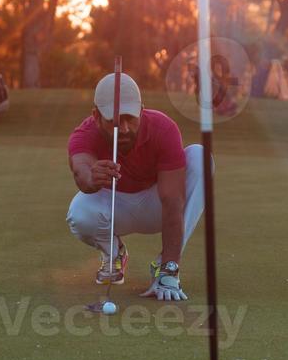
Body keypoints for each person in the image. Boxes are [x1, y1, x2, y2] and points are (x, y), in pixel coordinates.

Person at [66, 71, 207, 302]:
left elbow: (173, 202)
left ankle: (164, 268)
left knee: (200, 158)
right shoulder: (83, 135)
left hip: (157, 206)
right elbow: (81, 171)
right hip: (114, 206)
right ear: (95, 115)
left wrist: (171, 267)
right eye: (114, 120)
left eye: (130, 117)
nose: (123, 128)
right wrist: (91, 178)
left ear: (141, 110)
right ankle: (115, 253)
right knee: (79, 212)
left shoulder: (163, 128)